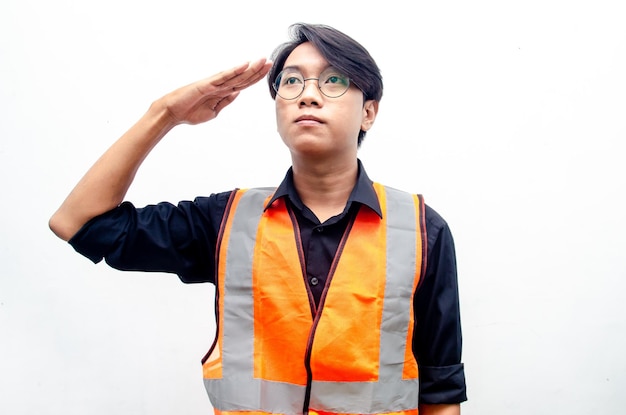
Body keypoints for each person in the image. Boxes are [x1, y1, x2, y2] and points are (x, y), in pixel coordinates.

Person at [49, 23, 467, 415]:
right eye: (291, 81)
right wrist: (165, 114)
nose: (308, 95)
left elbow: (440, 388)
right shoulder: (226, 222)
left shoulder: (420, 231)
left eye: (334, 80)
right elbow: (79, 222)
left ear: (369, 113)